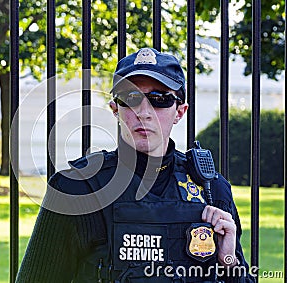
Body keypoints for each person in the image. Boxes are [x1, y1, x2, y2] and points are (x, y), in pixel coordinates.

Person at [16, 47, 254, 282]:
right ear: (115, 109)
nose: (144, 112)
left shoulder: (212, 190)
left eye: (160, 99)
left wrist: (228, 261)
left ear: (180, 112)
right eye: (131, 98)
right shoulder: (76, 188)